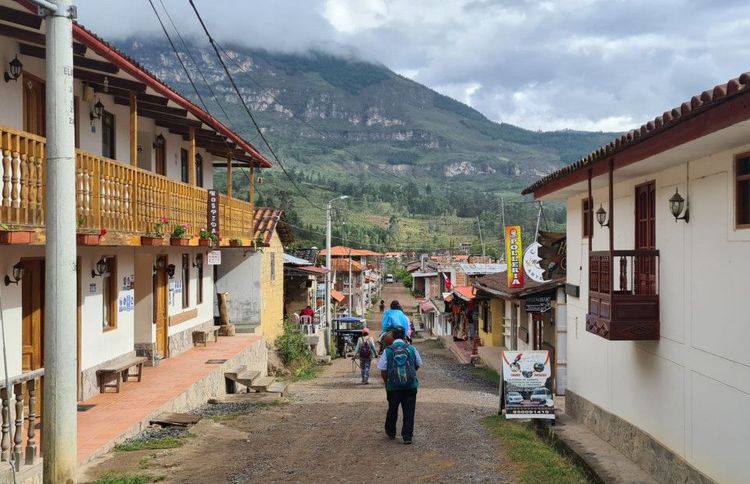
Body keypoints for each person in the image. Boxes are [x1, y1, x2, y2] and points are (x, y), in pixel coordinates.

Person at [378, 327, 422, 444]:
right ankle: (407, 436)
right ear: (404, 336)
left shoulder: (388, 351)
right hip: (410, 386)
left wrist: (387, 382)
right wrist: (409, 374)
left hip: (393, 387)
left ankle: (391, 431)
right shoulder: (412, 349)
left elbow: (382, 368)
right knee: (409, 411)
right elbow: (418, 364)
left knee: (392, 409)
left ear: (392, 337)